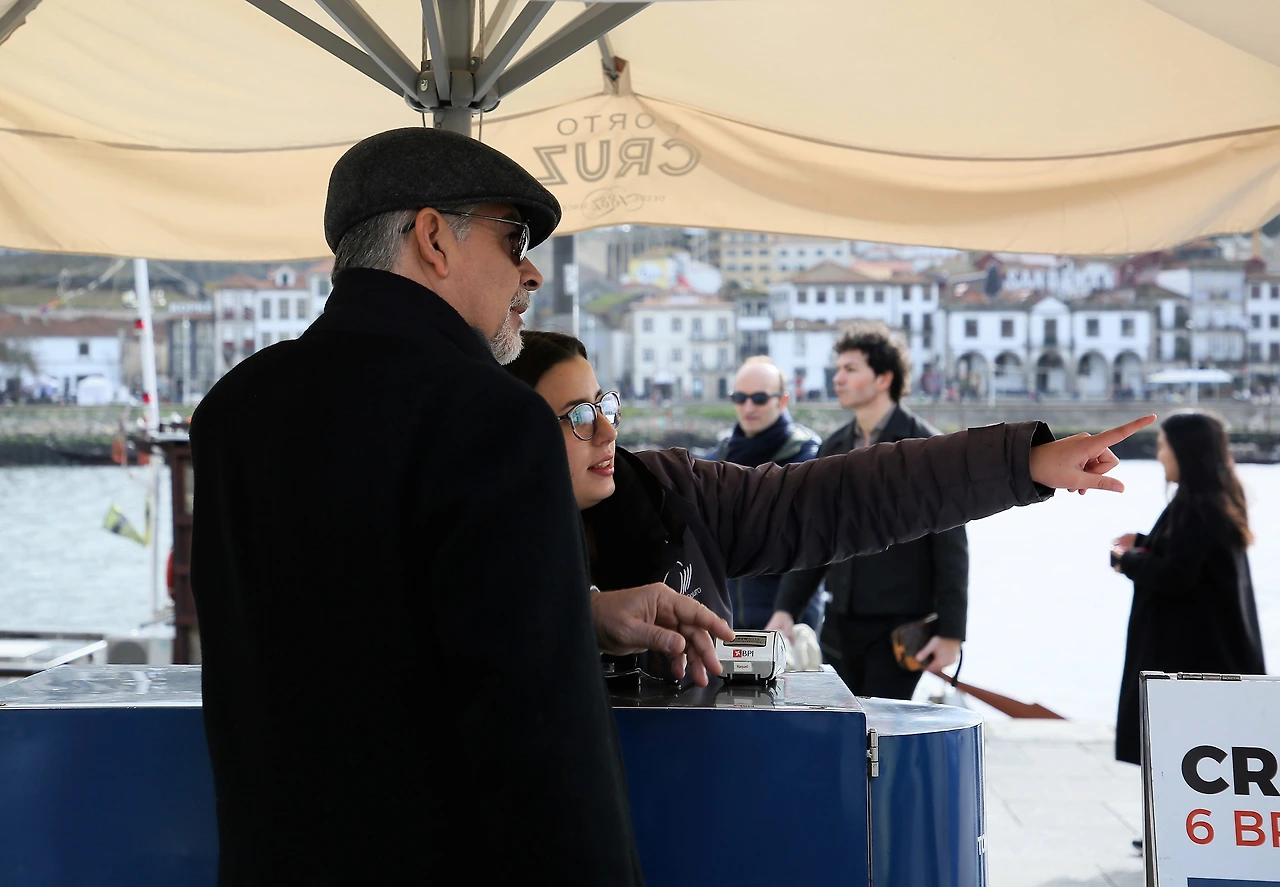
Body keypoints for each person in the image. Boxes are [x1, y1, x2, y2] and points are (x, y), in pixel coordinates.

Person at [188, 128, 730, 886]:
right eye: (514, 241)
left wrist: (583, 612)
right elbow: (543, 732)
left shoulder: (232, 411)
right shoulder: (492, 417)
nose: (530, 273)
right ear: (434, 238)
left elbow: (340, 635)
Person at [505, 331, 1157, 665]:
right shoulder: (467, 551)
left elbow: (844, 495)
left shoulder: (671, 489)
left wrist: (1025, 462)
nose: (607, 430)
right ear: (509, 433)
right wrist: (585, 617)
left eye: (606, 404)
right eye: (579, 415)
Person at [767, 323, 968, 700]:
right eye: (838, 369)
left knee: (882, 727)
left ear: (883, 378)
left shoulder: (926, 447)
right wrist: (786, 610)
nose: (838, 378)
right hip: (838, 622)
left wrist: (952, 632)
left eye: (850, 369)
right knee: (840, 726)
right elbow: (815, 535)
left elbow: (951, 546)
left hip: (900, 629)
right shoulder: (834, 448)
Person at [1110, 412, 1266, 770]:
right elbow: (1192, 559)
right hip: (1209, 659)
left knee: (1183, 761)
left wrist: (1126, 560)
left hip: (1189, 665)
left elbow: (1176, 576)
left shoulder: (1196, 508)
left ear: (1185, 451)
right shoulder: (1214, 501)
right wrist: (1146, 543)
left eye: (1164, 446)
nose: (1159, 455)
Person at [713, 356, 823, 630]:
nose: (748, 407)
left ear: (782, 401)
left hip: (787, 617)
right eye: (740, 397)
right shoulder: (718, 458)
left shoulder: (808, 458)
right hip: (726, 618)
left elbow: (810, 541)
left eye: (760, 398)